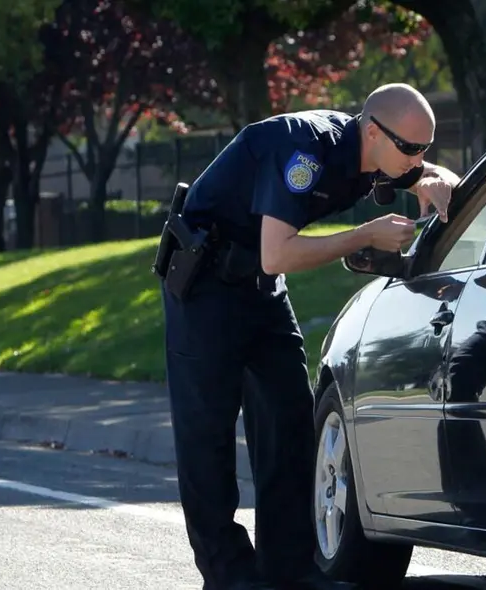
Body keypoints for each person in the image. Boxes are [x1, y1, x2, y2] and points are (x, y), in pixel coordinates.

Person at [157, 83, 460, 590]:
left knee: (289, 425)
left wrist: (433, 178)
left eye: (424, 146)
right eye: (410, 148)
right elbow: (279, 252)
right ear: (372, 131)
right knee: (206, 438)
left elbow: (434, 173)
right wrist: (366, 234)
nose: (417, 157)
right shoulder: (305, 150)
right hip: (206, 287)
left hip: (260, 289)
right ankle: (229, 574)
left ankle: (289, 568)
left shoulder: (380, 151)